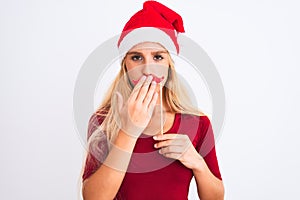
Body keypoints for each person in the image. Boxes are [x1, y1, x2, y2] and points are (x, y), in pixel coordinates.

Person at [81, 1, 224, 199]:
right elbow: (93, 198)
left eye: (158, 57)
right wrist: (128, 132)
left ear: (169, 65)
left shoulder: (198, 123)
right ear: (125, 66)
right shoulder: (104, 120)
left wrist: (197, 162)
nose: (148, 69)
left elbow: (216, 197)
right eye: (136, 57)